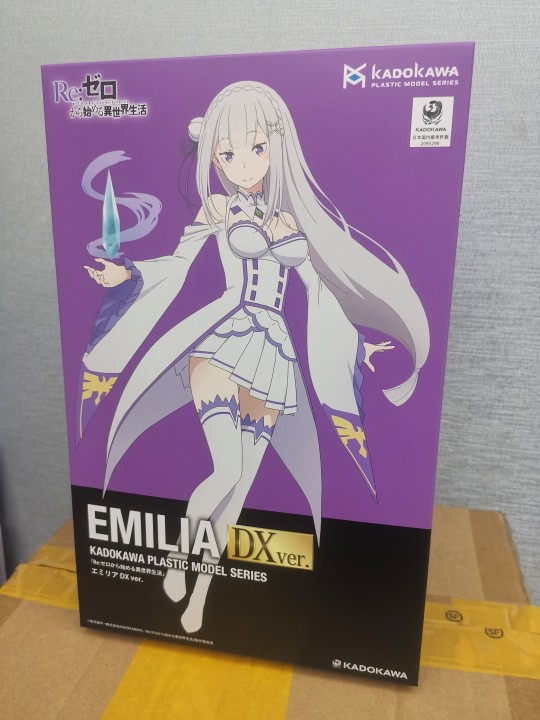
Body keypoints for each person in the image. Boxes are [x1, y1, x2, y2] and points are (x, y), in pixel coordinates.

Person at [83, 81, 430, 633]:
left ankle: (199, 598)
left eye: (256, 147)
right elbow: (177, 265)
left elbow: (318, 292)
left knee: (240, 491)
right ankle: (175, 559)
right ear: (214, 157)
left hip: (273, 357)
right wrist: (127, 274)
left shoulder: (289, 221)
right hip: (226, 341)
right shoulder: (217, 208)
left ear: (276, 146)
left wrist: (355, 345)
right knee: (227, 469)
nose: (242, 163)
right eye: (227, 153)